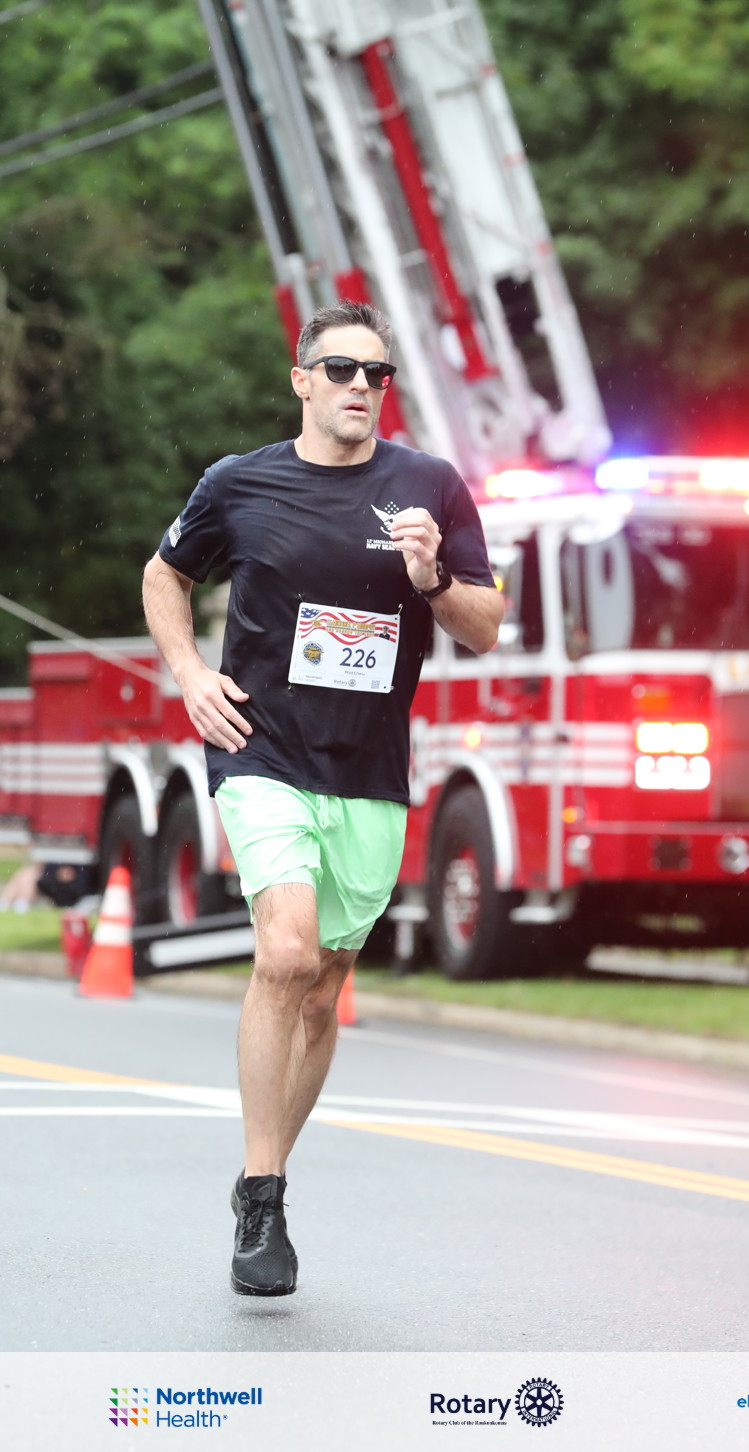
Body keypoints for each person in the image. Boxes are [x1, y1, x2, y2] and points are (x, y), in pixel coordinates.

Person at [142, 300, 502, 1296]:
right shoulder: (239, 483)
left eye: (376, 374)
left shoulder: (430, 487)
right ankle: (263, 1197)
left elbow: (485, 627)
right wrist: (189, 674)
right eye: (340, 369)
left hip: (369, 771)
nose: (359, 386)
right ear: (301, 380)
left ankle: (264, 1173)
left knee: (324, 983)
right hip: (261, 751)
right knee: (288, 954)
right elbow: (165, 576)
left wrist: (431, 577)